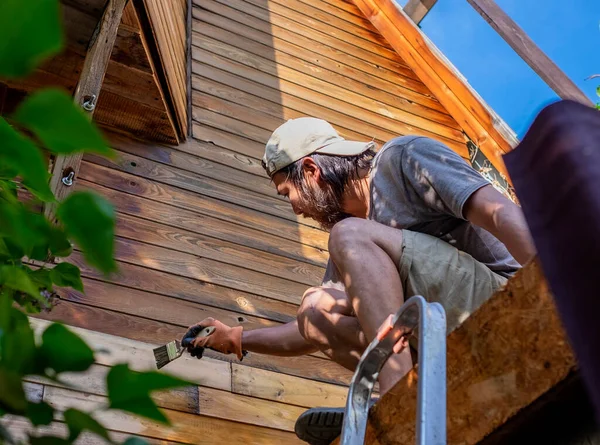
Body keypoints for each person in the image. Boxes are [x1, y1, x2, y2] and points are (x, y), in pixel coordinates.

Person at [187, 117, 536, 443]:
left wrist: (555, 286)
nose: (295, 209)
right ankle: (410, 392)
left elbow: (498, 212)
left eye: (287, 193)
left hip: (509, 305)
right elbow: (308, 331)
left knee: (347, 238)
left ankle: (398, 396)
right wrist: (237, 338)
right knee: (314, 310)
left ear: (311, 170)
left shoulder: (403, 160)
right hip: (449, 338)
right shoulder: (355, 239)